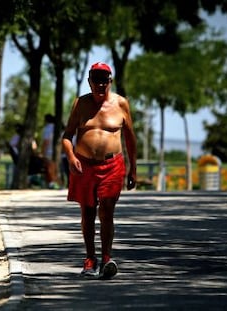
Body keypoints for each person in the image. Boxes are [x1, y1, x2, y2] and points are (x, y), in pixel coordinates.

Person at [61, 62, 137, 279]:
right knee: (87, 213)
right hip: (83, 165)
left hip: (113, 165)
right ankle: (89, 259)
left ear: (110, 82)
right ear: (89, 82)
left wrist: (133, 170)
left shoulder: (121, 104)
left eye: (104, 80)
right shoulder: (80, 104)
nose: (100, 84)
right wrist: (71, 156)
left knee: (106, 211)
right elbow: (67, 137)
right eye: (96, 80)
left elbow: (130, 139)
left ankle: (106, 259)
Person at [41, 114, 59, 189]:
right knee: (55, 167)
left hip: (48, 151)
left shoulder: (47, 128)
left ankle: (52, 183)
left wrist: (43, 152)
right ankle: (57, 183)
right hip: (56, 151)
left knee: (49, 168)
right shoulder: (56, 128)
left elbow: (46, 141)